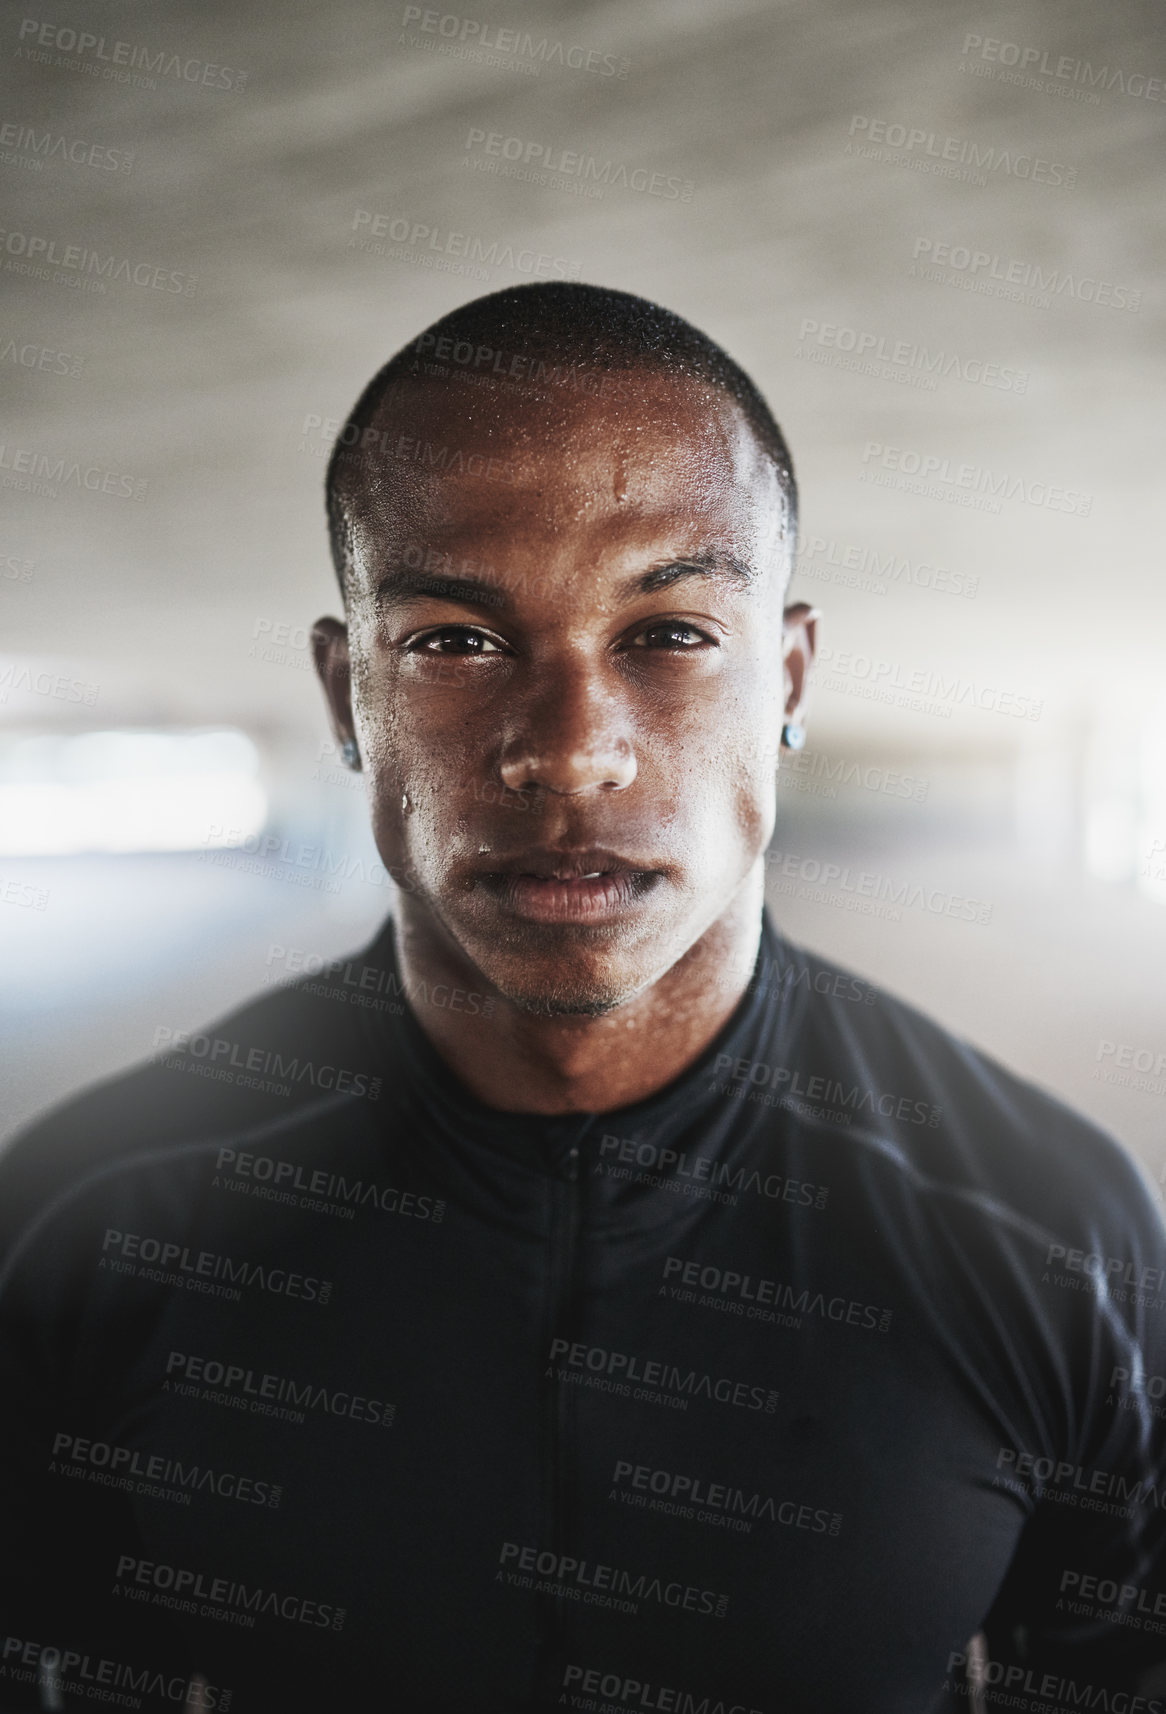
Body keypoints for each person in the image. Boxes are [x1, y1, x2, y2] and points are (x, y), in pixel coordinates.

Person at [1, 283, 1162, 1714]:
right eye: (453, 641)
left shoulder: (1052, 1229)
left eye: (667, 635)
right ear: (344, 693)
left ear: (786, 678)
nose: (568, 753)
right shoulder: (89, 1215)